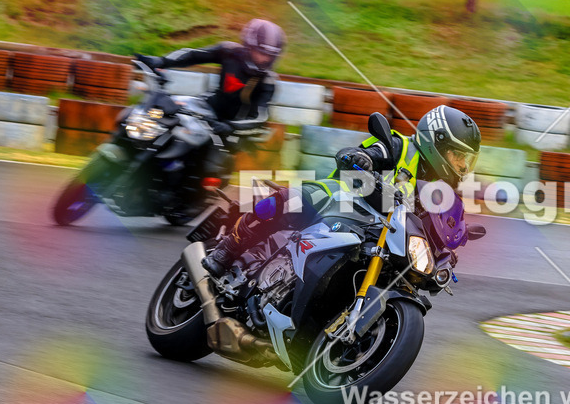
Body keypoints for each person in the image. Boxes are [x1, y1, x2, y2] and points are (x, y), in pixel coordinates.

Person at [201, 104, 482, 277]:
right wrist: (362, 159)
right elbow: (367, 153)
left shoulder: (443, 192)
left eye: (467, 160)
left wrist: (450, 247)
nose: (462, 165)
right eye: (458, 156)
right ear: (437, 143)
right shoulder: (400, 147)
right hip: (342, 205)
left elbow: (439, 228)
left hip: (380, 240)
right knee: (286, 201)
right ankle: (227, 250)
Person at [137, 18, 286, 137]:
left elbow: (260, 119)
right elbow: (193, 55)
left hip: (233, 131)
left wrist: (230, 127)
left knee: (209, 167)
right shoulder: (229, 51)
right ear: (249, 46)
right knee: (163, 110)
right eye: (262, 53)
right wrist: (162, 61)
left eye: (270, 55)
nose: (266, 59)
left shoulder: (268, 82)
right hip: (205, 108)